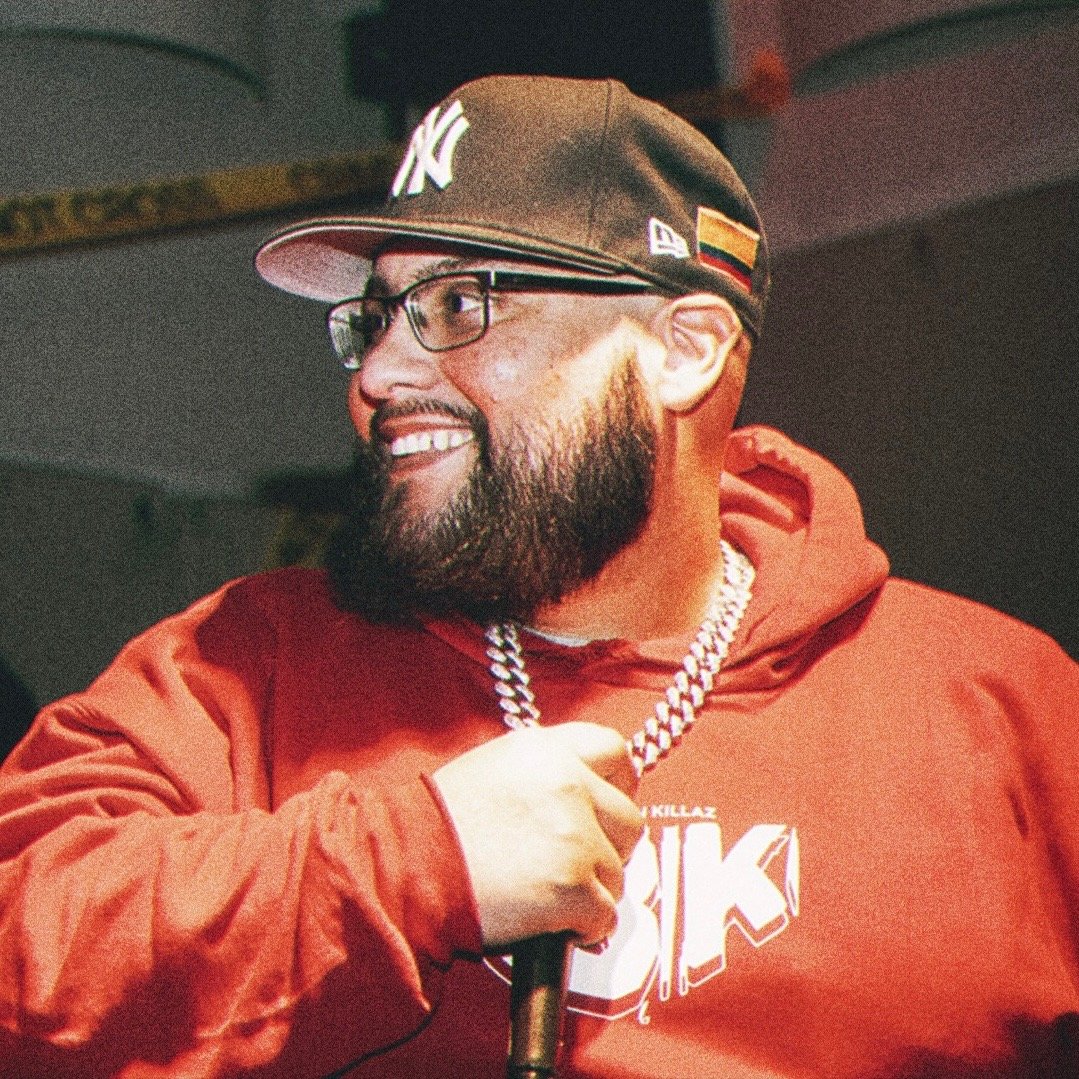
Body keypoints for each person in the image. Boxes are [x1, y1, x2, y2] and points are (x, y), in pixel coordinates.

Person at [0, 75, 1076, 1079]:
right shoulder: (243, 666)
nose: (377, 375)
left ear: (685, 348)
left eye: (460, 304)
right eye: (374, 318)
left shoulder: (1003, 709)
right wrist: (417, 862)